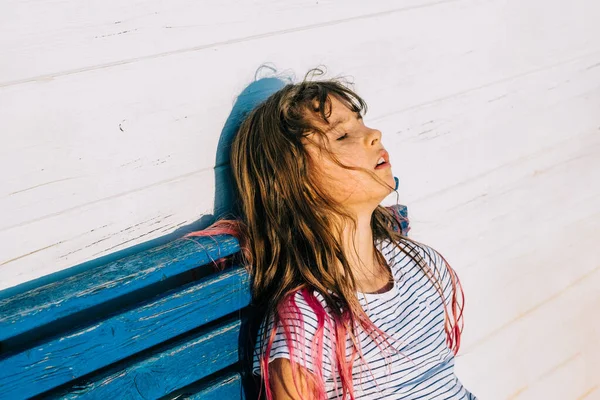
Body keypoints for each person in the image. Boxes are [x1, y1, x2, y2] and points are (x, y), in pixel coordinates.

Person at [189, 69, 478, 399]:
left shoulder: (423, 266)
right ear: (296, 186)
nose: (374, 134)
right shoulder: (306, 325)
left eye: (361, 122)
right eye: (342, 137)